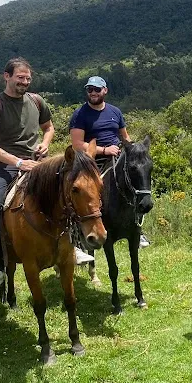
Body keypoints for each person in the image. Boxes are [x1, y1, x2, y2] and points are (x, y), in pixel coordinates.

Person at [0, 58, 54, 293]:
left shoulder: (37, 101)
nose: (24, 82)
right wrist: (18, 162)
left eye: (28, 78)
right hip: (4, 166)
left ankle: (73, 245)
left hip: (37, 163)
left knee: (69, 190)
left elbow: (49, 128)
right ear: (7, 76)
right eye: (20, 78)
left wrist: (45, 143)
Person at [69, 76, 149, 254]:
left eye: (97, 89)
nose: (93, 93)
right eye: (90, 89)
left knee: (137, 181)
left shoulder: (115, 112)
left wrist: (133, 151)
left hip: (117, 156)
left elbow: (125, 136)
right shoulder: (80, 114)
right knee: (81, 192)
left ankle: (137, 227)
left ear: (105, 90)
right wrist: (104, 150)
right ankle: (76, 238)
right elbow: (77, 144)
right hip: (92, 160)